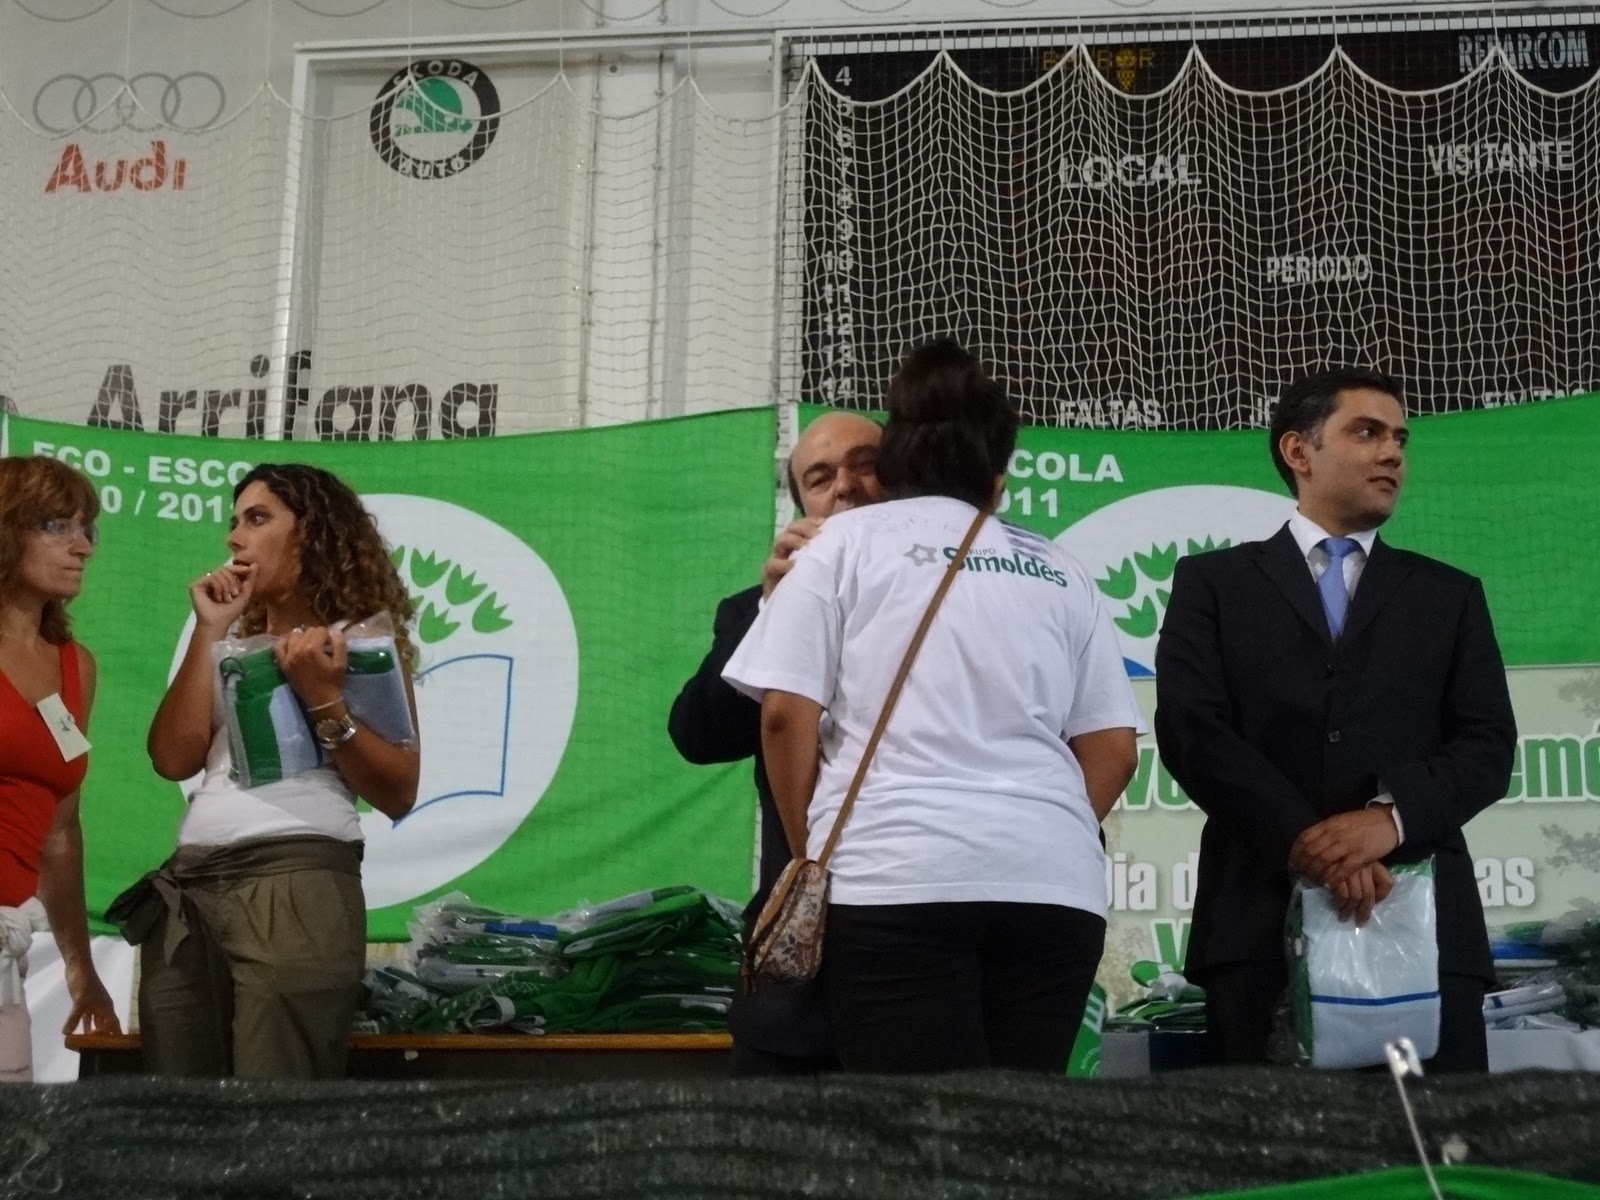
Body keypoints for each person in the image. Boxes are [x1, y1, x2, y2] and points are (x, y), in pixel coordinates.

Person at [722, 340, 1140, 1074]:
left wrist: (812, 852)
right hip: (1054, 889)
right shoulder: (1060, 568)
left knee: (922, 1127)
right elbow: (1114, 750)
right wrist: (1033, 830)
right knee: (1021, 1124)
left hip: (894, 879)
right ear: (998, 480)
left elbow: (785, 714)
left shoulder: (842, 544)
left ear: (896, 463)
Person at [1154, 367, 1516, 1072]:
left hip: (1422, 926)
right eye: (1367, 432)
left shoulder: (1448, 595)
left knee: (1434, 1143)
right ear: (1299, 450)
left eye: (1400, 438)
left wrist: (1387, 821)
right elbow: (1193, 730)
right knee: (1271, 1144)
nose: (1393, 454)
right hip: (1258, 927)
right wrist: (1307, 841)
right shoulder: (1213, 584)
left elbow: (1488, 745)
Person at [143, 463, 420, 1080]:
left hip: (295, 881)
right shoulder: (227, 644)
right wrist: (210, 630)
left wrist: (323, 698)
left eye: (258, 518)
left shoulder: (354, 644)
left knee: (275, 1111)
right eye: (235, 521)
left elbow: (400, 790)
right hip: (188, 888)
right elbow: (172, 759)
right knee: (178, 1116)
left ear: (312, 533)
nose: (234, 537)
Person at [668, 410, 882, 1076]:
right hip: (803, 957)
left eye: (866, 466)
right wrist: (771, 610)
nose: (843, 486)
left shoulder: (964, 596)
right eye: (820, 478)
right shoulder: (751, 610)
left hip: (925, 929)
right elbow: (699, 736)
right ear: (801, 506)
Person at [0, 456, 123, 1082]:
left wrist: (80, 969)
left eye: (86, 528)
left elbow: (59, 833)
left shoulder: (77, 665)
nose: (83, 547)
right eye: (56, 526)